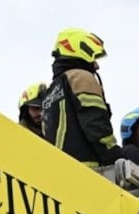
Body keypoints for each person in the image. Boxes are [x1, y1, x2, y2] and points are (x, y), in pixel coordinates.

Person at [42, 28, 123, 169]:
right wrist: (114, 155)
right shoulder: (81, 77)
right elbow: (95, 122)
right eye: (94, 58)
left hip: (56, 168)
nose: (97, 66)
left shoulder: (51, 91)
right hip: (87, 169)